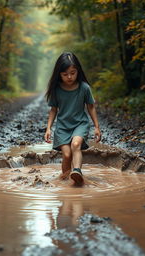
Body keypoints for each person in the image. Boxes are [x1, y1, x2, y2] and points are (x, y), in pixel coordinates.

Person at [44, 52, 101, 186]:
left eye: (72, 73)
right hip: (62, 127)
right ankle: (65, 180)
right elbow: (53, 110)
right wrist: (48, 128)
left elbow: (91, 107)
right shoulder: (56, 90)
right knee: (67, 154)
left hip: (80, 124)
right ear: (59, 74)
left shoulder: (84, 88)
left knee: (76, 145)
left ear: (78, 71)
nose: (69, 77)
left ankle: (77, 172)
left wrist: (97, 127)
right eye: (65, 74)